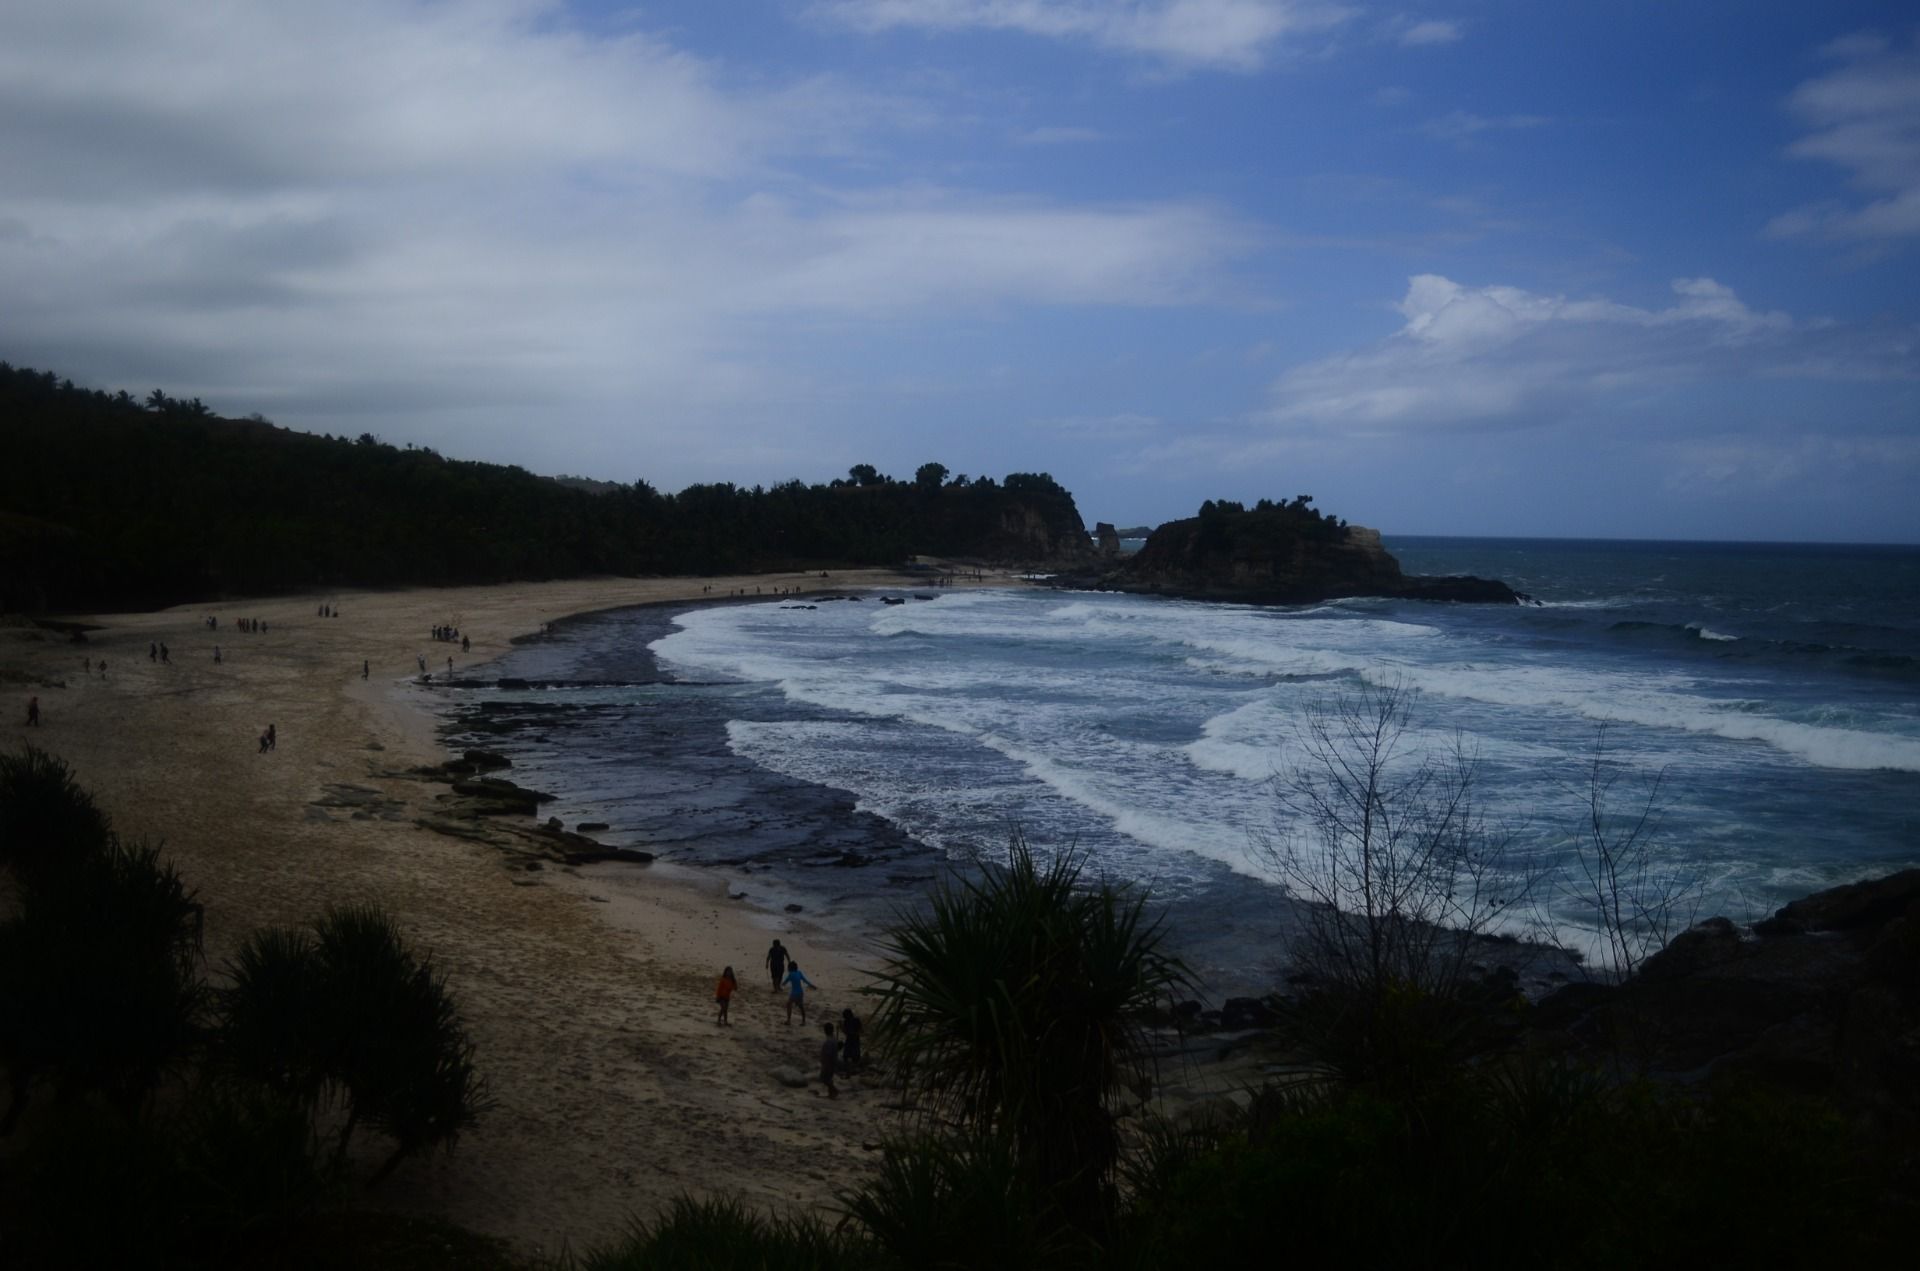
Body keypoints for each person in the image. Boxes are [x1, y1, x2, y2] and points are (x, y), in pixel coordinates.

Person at [783, 960, 815, 1025]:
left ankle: (788, 1020)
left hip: (794, 993)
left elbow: (785, 982)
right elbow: (805, 981)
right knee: (801, 1007)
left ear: (790, 968)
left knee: (789, 1005)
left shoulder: (790, 974)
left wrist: (782, 984)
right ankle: (803, 1021)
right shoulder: (799, 973)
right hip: (800, 992)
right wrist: (812, 985)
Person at [818, 1022, 839, 1098]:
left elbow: (828, 1054)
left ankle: (834, 1090)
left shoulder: (829, 1041)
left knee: (824, 1078)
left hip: (829, 1063)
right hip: (832, 1062)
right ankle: (831, 1093)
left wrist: (825, 1063)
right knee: (829, 1078)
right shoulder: (833, 1039)